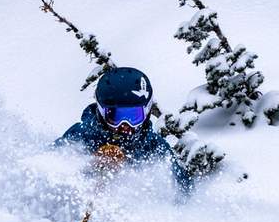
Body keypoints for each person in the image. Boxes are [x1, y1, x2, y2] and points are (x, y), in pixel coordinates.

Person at [57, 67, 192, 196]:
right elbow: (50, 171)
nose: (125, 125)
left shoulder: (155, 148)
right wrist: (88, 169)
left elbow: (183, 191)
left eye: (134, 116)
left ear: (147, 111)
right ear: (101, 112)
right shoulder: (81, 137)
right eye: (115, 116)